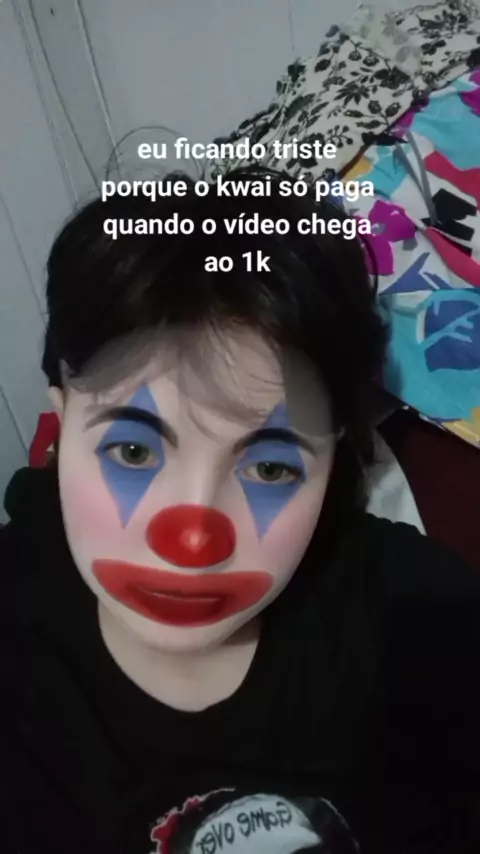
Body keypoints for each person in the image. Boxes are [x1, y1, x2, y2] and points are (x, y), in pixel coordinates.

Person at [0, 167, 479, 854]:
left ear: (333, 460)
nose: (194, 537)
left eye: (270, 468)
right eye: (132, 452)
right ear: (61, 426)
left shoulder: (422, 623)